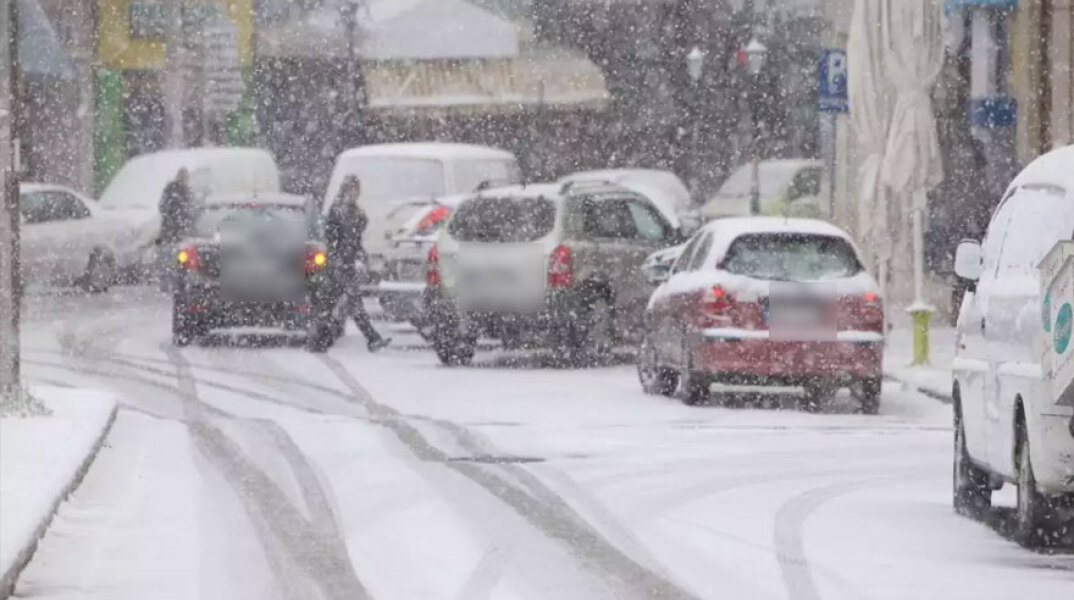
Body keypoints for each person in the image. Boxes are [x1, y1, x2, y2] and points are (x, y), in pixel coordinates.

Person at [325, 175, 391, 352]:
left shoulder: (351, 210)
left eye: (357, 189)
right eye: (352, 189)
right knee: (349, 303)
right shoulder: (340, 210)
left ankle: (326, 336)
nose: (355, 193)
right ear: (346, 189)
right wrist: (341, 258)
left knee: (346, 303)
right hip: (341, 264)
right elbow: (337, 238)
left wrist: (360, 256)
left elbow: (354, 240)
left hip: (346, 263)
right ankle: (370, 337)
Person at [158, 168, 194, 292]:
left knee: (169, 257)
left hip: (172, 231)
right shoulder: (179, 191)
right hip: (174, 231)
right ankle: (172, 282)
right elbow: (188, 211)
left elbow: (163, 207)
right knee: (171, 257)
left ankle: (169, 282)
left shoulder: (177, 190)